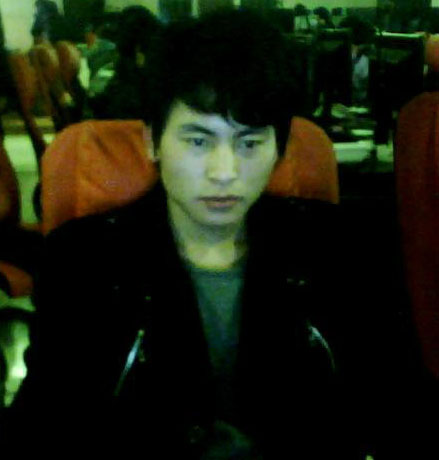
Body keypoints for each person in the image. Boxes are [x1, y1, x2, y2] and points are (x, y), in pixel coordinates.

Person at [2, 10, 423, 458]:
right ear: (152, 141)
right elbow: (43, 429)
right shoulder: (82, 262)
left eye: (250, 142)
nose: (225, 172)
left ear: (279, 148)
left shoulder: (346, 251)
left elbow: (404, 409)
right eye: (198, 141)